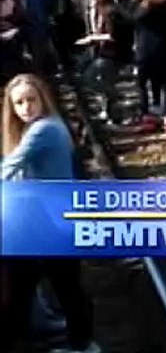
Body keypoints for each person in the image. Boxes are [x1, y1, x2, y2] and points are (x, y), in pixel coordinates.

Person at [1, 74, 100, 353]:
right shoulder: (47, 126)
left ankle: (82, 345)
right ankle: (36, 335)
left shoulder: (43, 130)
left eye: (31, 100)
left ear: (43, 98)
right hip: (45, 219)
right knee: (29, 279)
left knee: (63, 284)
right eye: (19, 103)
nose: (26, 107)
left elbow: (9, 169)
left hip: (54, 221)